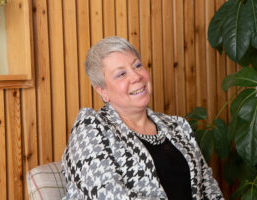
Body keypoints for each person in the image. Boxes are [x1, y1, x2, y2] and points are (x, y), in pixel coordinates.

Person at [61, 36, 224, 200]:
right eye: (121, 74)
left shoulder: (178, 126)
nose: (136, 76)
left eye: (137, 66)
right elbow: (109, 195)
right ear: (103, 91)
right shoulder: (91, 127)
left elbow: (210, 189)